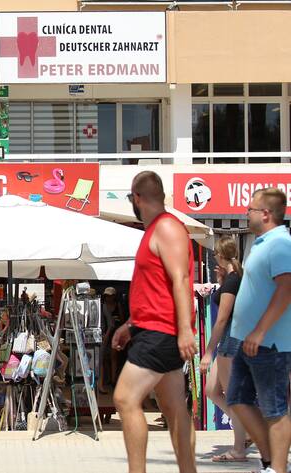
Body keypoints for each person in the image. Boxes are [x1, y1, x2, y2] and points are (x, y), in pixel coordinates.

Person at [111, 171, 197, 473]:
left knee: (124, 398)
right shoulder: (155, 231)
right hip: (152, 328)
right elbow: (154, 289)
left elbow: (181, 279)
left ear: (137, 198)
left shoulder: (167, 228)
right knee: (174, 410)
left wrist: (185, 330)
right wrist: (130, 325)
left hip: (161, 332)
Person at [226, 187, 291, 473]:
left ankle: (277, 469)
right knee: (237, 398)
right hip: (248, 341)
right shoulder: (263, 243)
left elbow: (286, 288)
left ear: (265, 214)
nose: (246, 213)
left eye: (250, 209)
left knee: (274, 410)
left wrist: (260, 331)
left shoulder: (279, 244)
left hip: (269, 343)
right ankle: (269, 462)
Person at [199, 236, 249, 462]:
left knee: (233, 397)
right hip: (230, 340)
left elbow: (221, 320)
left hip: (231, 340)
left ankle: (239, 448)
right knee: (211, 390)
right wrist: (220, 278)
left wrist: (208, 352)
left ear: (220, 254)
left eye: (214, 254)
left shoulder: (233, 281)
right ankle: (247, 431)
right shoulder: (231, 278)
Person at [100, 287, 126, 394]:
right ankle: (107, 379)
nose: (108, 297)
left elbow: (122, 319)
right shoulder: (102, 306)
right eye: (107, 295)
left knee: (113, 356)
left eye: (110, 295)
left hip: (115, 332)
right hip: (106, 333)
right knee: (104, 358)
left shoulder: (117, 305)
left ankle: (113, 380)